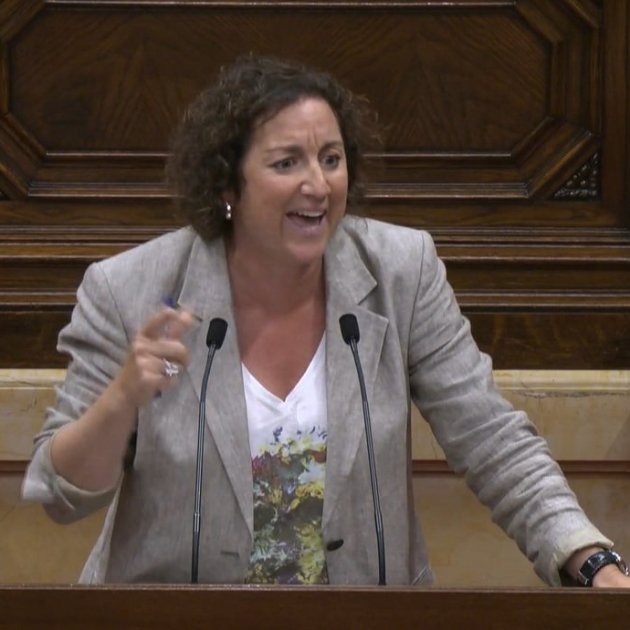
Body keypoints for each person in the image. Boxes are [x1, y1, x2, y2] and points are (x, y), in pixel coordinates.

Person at [22, 54, 630, 587]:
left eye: (331, 159)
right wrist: (122, 399)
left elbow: (492, 439)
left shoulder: (401, 272)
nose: (317, 184)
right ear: (227, 182)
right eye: (287, 162)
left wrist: (588, 558)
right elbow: (60, 494)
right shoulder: (128, 288)